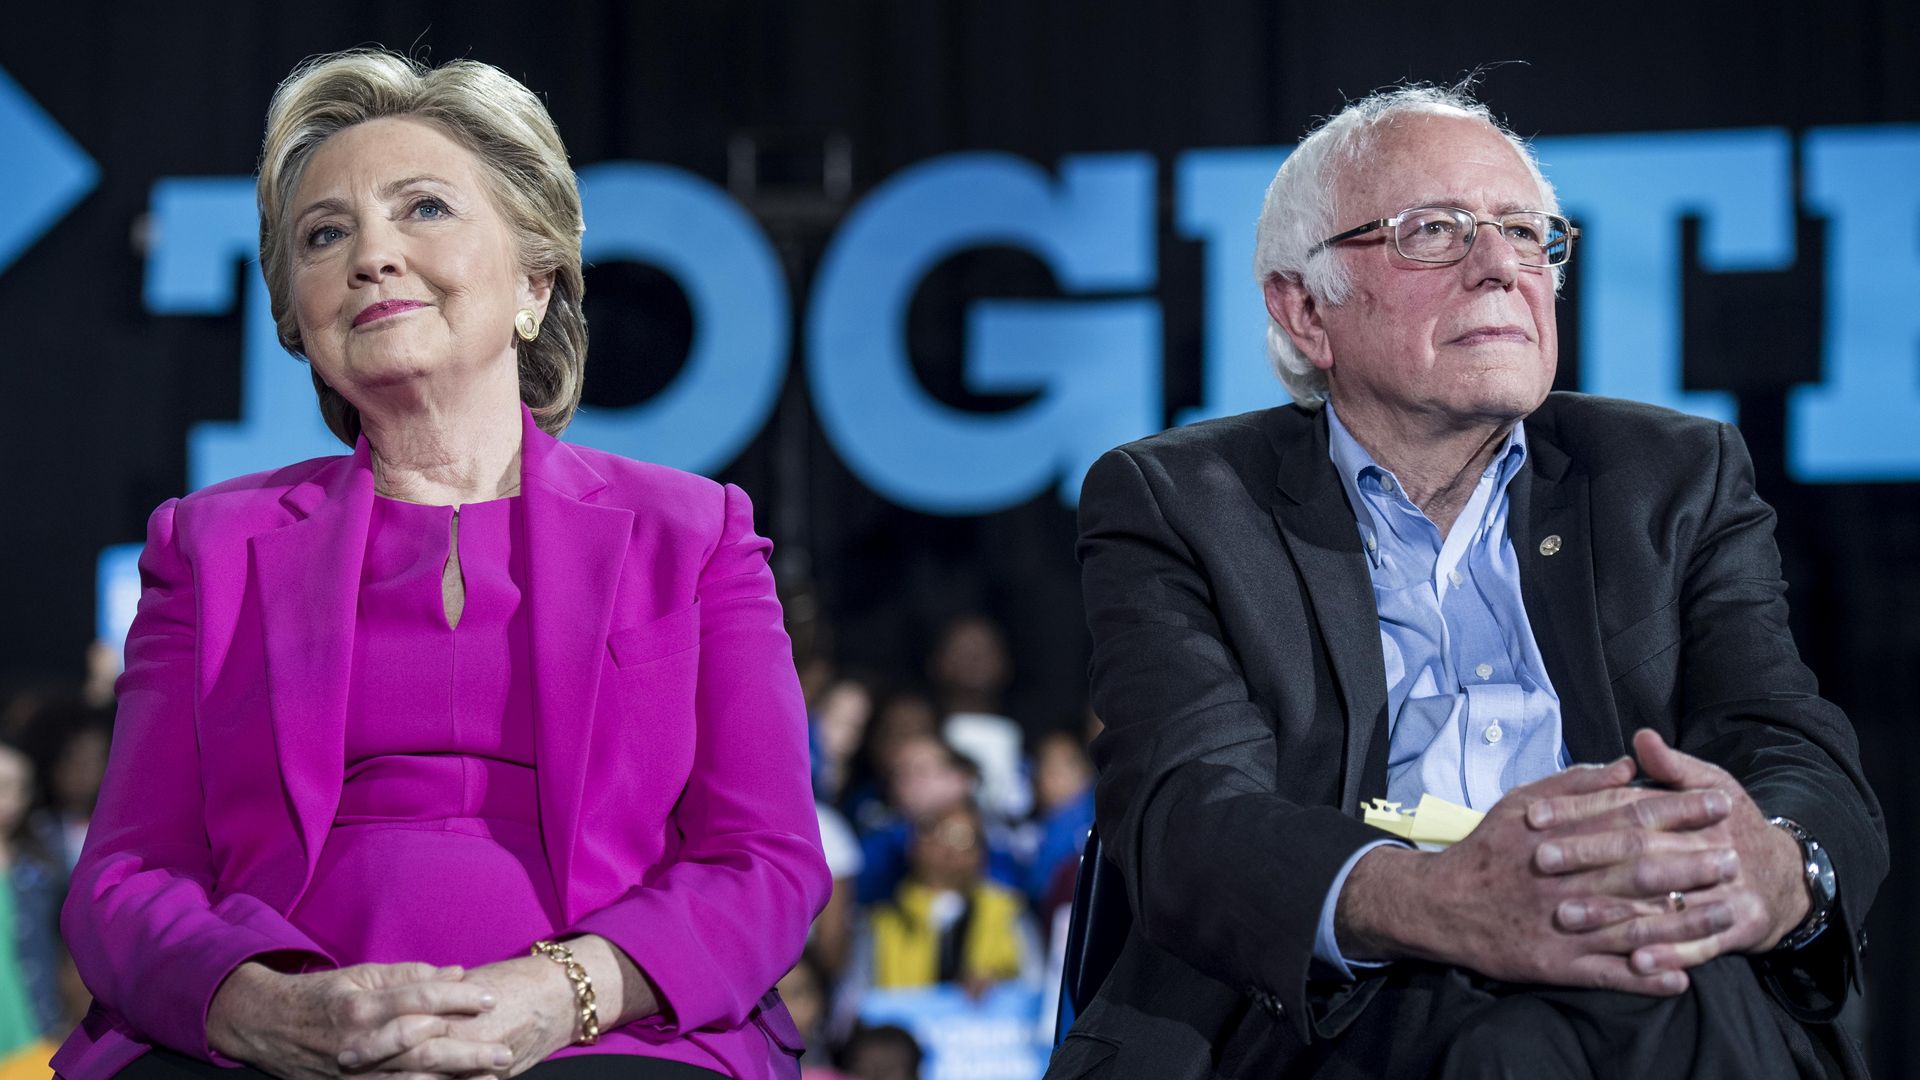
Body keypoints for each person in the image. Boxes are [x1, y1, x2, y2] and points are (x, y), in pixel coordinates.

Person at [1047, 84, 1885, 1079]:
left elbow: (1784, 737)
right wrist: (1440, 903)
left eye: (1528, 235)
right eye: (1431, 233)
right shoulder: (1180, 502)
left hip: (1656, 969)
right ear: (1305, 309)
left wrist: (1777, 868)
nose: (1500, 268)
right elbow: (1191, 819)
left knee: (1648, 993)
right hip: (1337, 1009)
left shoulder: (1672, 476)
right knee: (1525, 1038)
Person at [57, 49, 828, 1080]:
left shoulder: (693, 534)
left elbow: (763, 863)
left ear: (535, 279)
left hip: (612, 1037)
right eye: (325, 234)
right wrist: (256, 1008)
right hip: (268, 1046)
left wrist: (564, 993)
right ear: (300, 320)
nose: (372, 255)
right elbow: (126, 876)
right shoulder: (208, 544)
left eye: (423, 210)